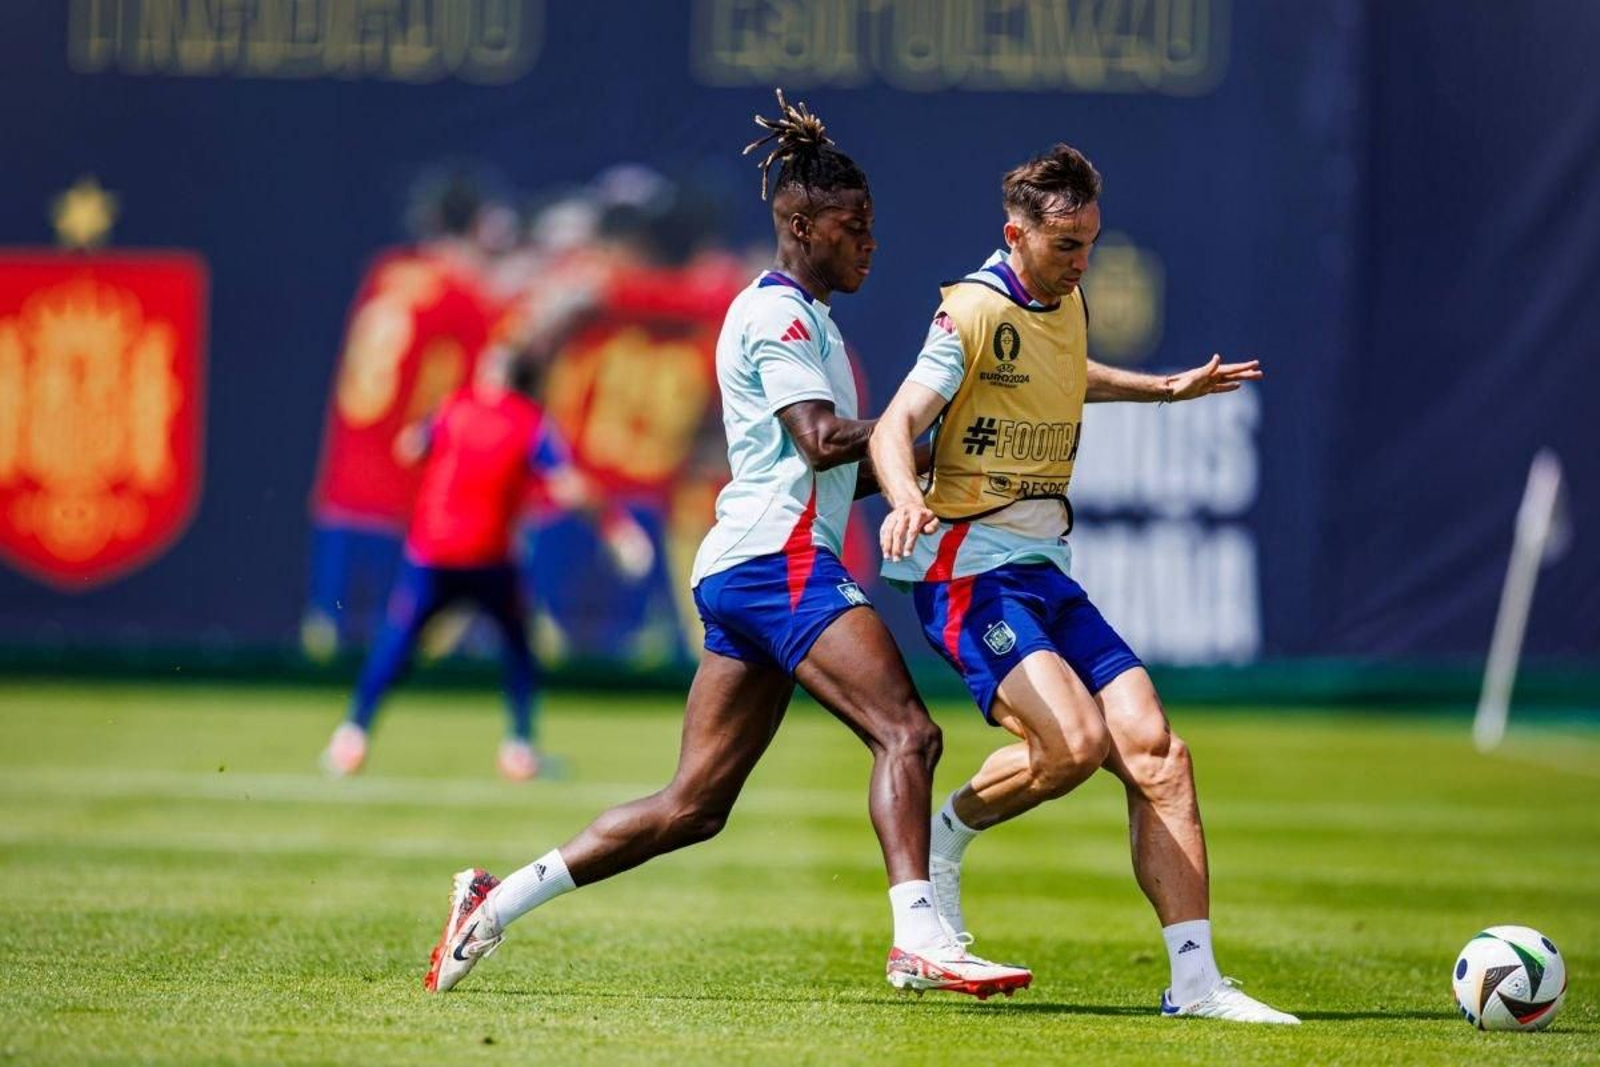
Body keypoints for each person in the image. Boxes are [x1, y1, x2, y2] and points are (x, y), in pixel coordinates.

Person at [423, 91, 1031, 999]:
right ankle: (919, 939)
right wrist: (916, 416)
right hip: (774, 565)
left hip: (756, 564)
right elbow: (823, 438)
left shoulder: (814, 319)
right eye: (851, 225)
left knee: (692, 806)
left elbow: (837, 470)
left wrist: (935, 462)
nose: (869, 241)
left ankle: (493, 898)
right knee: (906, 731)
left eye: (870, 224)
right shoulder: (777, 315)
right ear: (799, 223)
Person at [868, 143, 1299, 1024]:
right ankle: (944, 836)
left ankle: (1197, 984)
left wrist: (1165, 388)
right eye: (1066, 245)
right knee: (1072, 745)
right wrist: (907, 494)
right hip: (966, 571)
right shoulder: (970, 311)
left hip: (1044, 569)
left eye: (1091, 242)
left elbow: (1064, 376)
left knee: (1157, 751)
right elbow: (898, 422)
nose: (1082, 261)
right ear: (1014, 234)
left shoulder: (1062, 297)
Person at [319, 350, 652, 781]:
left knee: (397, 641)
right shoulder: (529, 422)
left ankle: (351, 739)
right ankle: (519, 748)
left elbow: (409, 447)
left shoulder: (454, 408)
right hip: (489, 556)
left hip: (432, 552)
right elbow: (568, 485)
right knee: (517, 647)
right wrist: (616, 528)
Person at [303, 169, 508, 658]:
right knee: (414, 657)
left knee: (333, 654)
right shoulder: (468, 301)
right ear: (480, 225)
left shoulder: (385, 272)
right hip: (405, 501)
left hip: (341, 492)